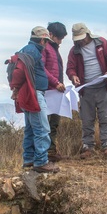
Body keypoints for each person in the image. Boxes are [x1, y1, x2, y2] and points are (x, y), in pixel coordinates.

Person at [7, 26, 60, 173]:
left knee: (30, 128)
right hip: (34, 94)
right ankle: (41, 161)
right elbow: (19, 72)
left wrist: (16, 89)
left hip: (29, 93)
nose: (47, 44)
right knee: (42, 128)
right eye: (46, 41)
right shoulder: (32, 51)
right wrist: (16, 87)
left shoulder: (27, 50)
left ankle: (29, 159)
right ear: (42, 40)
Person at [66, 22, 107, 159]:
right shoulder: (74, 51)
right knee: (87, 118)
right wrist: (73, 76)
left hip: (103, 86)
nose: (81, 41)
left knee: (105, 116)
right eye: (77, 39)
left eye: (82, 38)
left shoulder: (101, 43)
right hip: (86, 89)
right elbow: (70, 67)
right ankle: (88, 146)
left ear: (88, 34)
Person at [42, 22, 67, 162]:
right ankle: (45, 153)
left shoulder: (54, 49)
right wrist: (55, 82)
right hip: (48, 92)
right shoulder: (45, 47)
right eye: (59, 38)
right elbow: (42, 68)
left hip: (56, 92)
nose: (61, 41)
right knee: (47, 123)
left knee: (54, 123)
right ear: (51, 35)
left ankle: (51, 151)